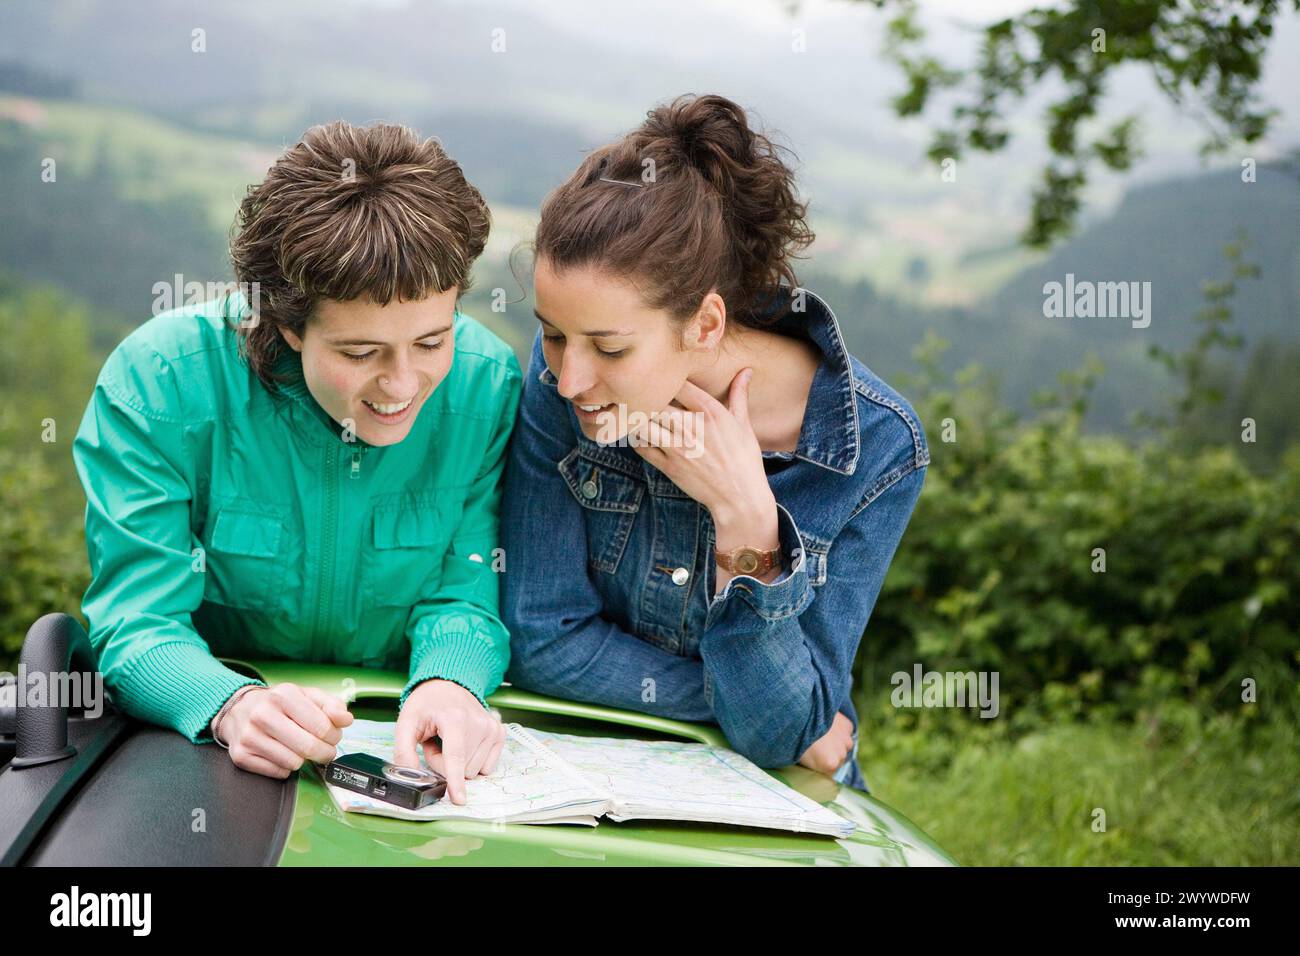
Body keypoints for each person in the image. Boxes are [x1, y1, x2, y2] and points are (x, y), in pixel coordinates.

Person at [72, 121, 520, 804]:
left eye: (432, 341)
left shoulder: (487, 385)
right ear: (285, 323)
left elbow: (464, 588)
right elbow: (137, 621)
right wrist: (230, 707)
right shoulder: (159, 382)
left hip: (402, 760)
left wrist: (450, 682)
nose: (402, 387)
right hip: (212, 761)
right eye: (360, 353)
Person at [501, 94, 929, 791]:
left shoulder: (880, 449)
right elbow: (542, 641)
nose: (567, 377)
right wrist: (761, 710)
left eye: (609, 348)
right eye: (551, 332)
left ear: (704, 325)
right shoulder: (562, 376)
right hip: (595, 774)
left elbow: (787, 742)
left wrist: (747, 528)